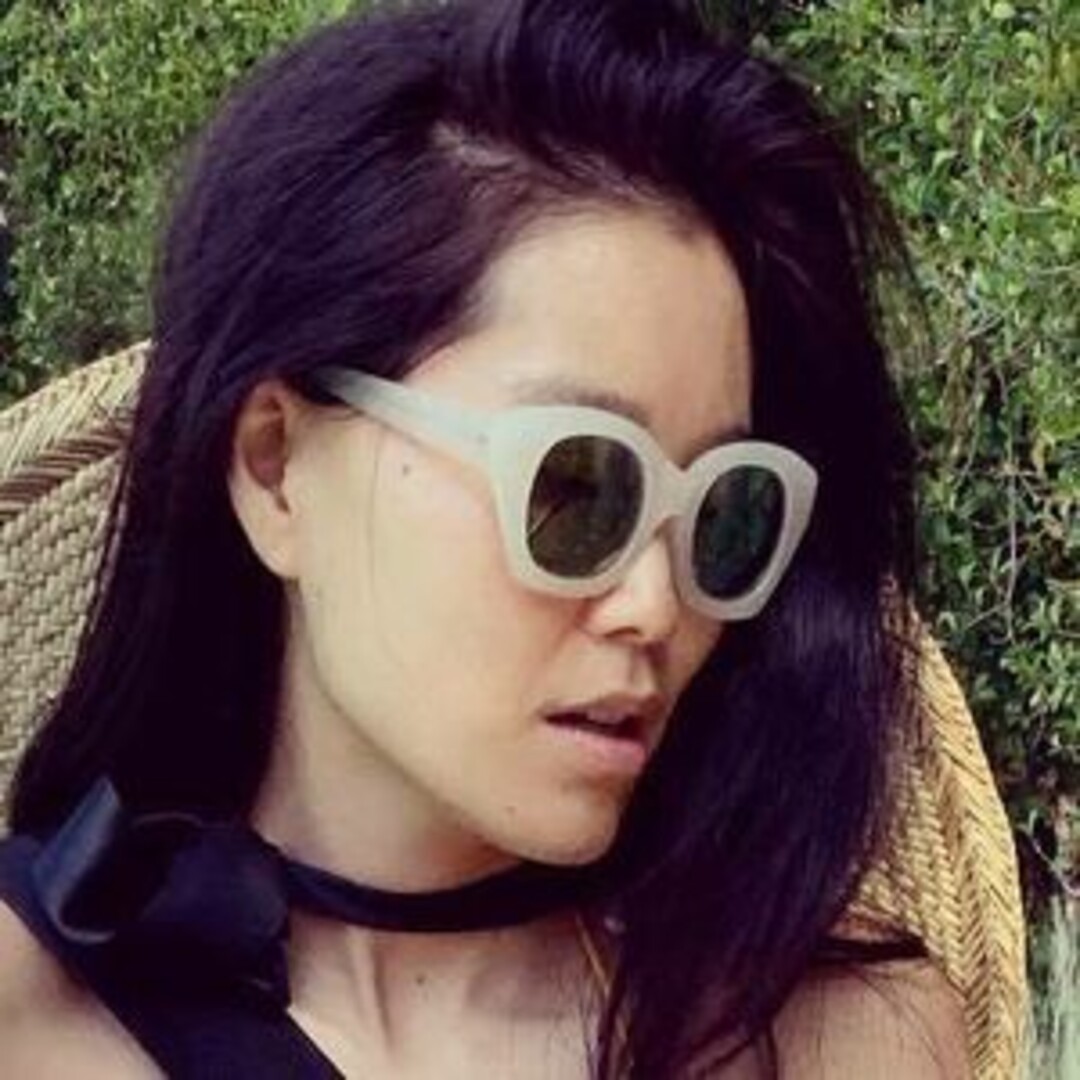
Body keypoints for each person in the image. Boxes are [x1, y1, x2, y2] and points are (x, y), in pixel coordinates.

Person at [0, 0, 971, 1076]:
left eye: (721, 511)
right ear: (277, 467)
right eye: (576, 485)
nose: (657, 603)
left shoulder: (830, 1038)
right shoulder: (34, 1026)